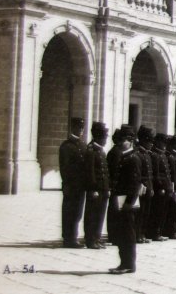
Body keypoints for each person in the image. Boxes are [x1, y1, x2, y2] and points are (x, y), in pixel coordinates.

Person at [109, 126, 141, 274]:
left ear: (130, 141)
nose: (120, 143)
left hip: (127, 202)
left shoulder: (133, 158)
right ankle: (124, 263)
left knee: (127, 234)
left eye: (123, 140)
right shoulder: (125, 156)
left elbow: (135, 184)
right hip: (120, 199)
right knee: (122, 233)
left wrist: (129, 203)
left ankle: (128, 264)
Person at [59, 117, 86, 248]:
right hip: (71, 185)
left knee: (78, 212)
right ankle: (68, 238)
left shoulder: (82, 145)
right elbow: (64, 168)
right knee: (69, 212)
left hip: (80, 185)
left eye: (82, 128)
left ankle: (73, 236)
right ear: (72, 128)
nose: (80, 130)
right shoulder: (66, 146)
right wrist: (66, 184)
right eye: (78, 128)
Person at [84, 121, 110, 249]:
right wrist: (93, 189)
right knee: (92, 215)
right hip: (95, 189)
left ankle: (97, 238)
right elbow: (90, 172)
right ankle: (90, 239)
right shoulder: (91, 150)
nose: (106, 139)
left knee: (100, 215)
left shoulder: (99, 150)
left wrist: (107, 187)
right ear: (99, 136)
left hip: (103, 189)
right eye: (105, 137)